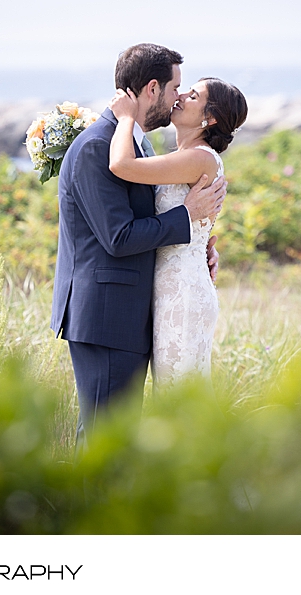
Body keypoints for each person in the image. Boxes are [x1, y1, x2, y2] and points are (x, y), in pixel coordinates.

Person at [50, 43, 226, 447]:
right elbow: (119, 237)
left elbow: (145, 220)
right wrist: (185, 219)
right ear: (151, 89)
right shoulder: (99, 146)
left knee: (118, 438)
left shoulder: (134, 142)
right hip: (106, 317)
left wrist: (197, 250)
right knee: (103, 438)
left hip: (131, 316)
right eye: (175, 87)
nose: (178, 96)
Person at [108, 77, 248, 387]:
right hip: (174, 286)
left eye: (194, 95)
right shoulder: (189, 156)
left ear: (208, 118)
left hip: (182, 294)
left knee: (177, 397)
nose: (181, 95)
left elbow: (121, 165)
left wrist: (125, 117)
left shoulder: (199, 158)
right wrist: (206, 247)